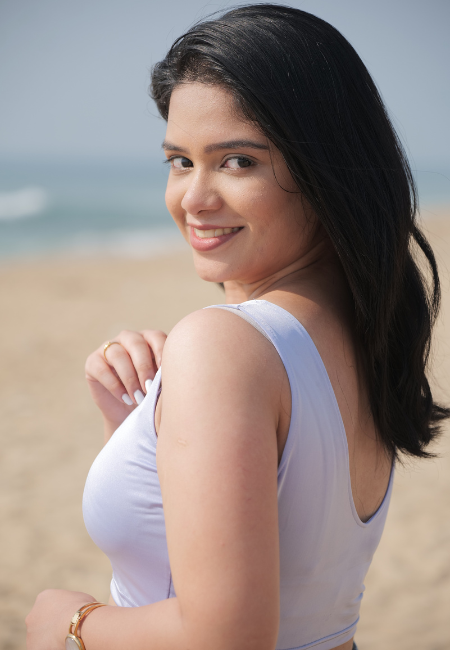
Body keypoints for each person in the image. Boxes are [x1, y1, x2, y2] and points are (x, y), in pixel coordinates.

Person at [26, 5, 448, 650]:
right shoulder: (365, 336)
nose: (193, 198)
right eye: (179, 160)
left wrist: (69, 624)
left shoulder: (228, 345)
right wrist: (141, 425)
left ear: (325, 170)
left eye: (239, 161)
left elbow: (227, 633)